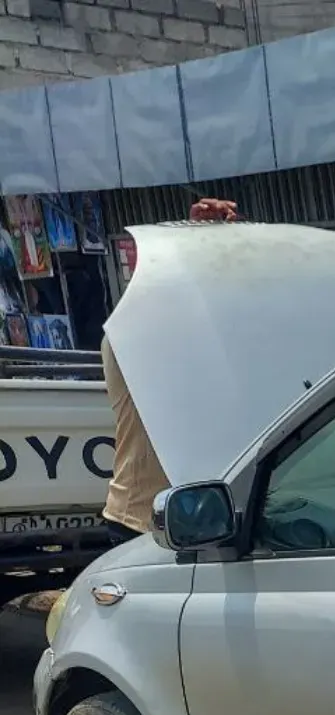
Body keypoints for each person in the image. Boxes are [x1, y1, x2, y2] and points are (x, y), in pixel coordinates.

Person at [100, 198, 240, 543]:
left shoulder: (210, 332)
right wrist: (199, 242)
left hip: (207, 514)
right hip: (146, 520)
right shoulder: (135, 330)